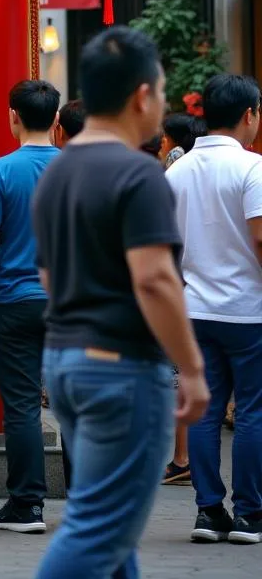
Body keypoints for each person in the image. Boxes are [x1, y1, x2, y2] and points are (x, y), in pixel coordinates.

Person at [32, 26, 209, 578]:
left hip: (65, 361)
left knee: (111, 525)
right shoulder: (140, 172)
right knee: (100, 526)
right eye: (160, 88)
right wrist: (194, 369)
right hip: (121, 368)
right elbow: (155, 279)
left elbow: (47, 273)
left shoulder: (56, 173)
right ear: (141, 95)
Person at [166, 73, 262, 544]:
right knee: (253, 411)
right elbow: (260, 236)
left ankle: (209, 512)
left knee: (202, 411)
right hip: (249, 310)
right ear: (249, 115)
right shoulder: (253, 169)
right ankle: (250, 513)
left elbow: (163, 245)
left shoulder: (177, 170)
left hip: (194, 309)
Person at [0, 79, 61, 533]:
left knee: (23, 404)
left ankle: (27, 504)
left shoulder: (1, 171)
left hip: (17, 298)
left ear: (12, 117)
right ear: (58, 120)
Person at [158, 110, 206, 488]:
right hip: (215, 290)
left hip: (187, 286)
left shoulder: (176, 167)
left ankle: (183, 458)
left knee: (185, 375)